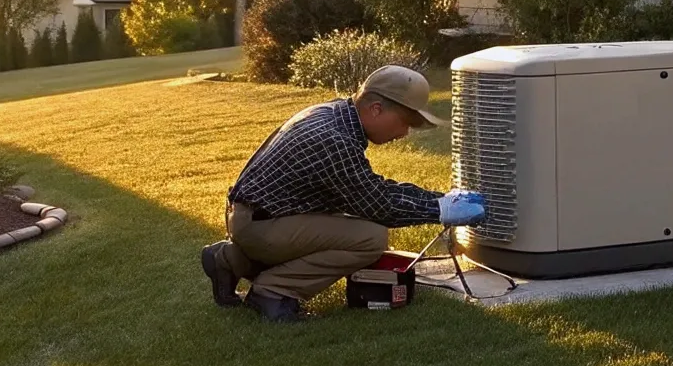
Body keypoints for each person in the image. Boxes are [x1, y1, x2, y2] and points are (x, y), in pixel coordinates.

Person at [200, 64, 485, 322]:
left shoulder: (332, 115)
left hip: (255, 218)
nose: (405, 133)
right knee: (369, 238)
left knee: (348, 222)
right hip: (261, 226)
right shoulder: (333, 140)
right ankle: (274, 292)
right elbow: (378, 205)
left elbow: (369, 189)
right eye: (406, 122)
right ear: (376, 109)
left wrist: (438, 199)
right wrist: (441, 209)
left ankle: (230, 259)